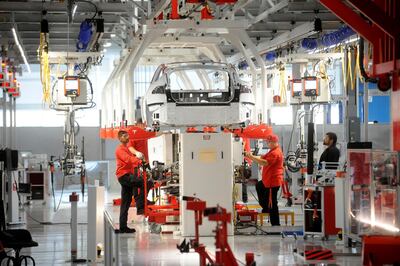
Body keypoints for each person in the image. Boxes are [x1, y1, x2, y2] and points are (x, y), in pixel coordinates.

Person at [245, 134, 283, 226]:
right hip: (267, 181)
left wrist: (252, 157)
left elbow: (265, 163)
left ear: (274, 142)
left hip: (272, 182)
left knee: (272, 203)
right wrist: (250, 156)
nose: (268, 143)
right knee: (259, 186)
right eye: (267, 142)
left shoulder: (275, 153)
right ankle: (266, 208)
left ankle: (276, 225)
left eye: (269, 142)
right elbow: (261, 158)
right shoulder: (271, 151)